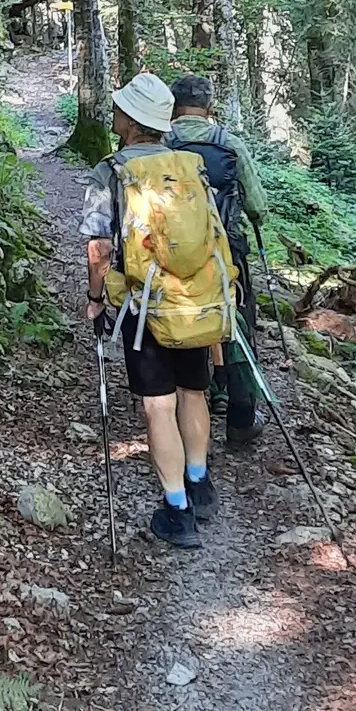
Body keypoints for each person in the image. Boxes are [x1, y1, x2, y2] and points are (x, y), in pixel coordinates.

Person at [84, 70, 234, 551]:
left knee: (157, 403)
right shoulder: (189, 166)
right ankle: (200, 482)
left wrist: (94, 300)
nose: (113, 113)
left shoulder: (113, 170)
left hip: (142, 304)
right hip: (195, 301)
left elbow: (100, 248)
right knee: (195, 392)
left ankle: (176, 511)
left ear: (129, 120)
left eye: (118, 109)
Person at [168, 76, 269, 447]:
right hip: (225, 251)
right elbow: (258, 206)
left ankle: (185, 417)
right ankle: (241, 415)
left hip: (173, 253)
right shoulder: (230, 144)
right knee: (237, 321)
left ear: (173, 106)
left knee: (176, 325)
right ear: (210, 107)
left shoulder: (162, 142)